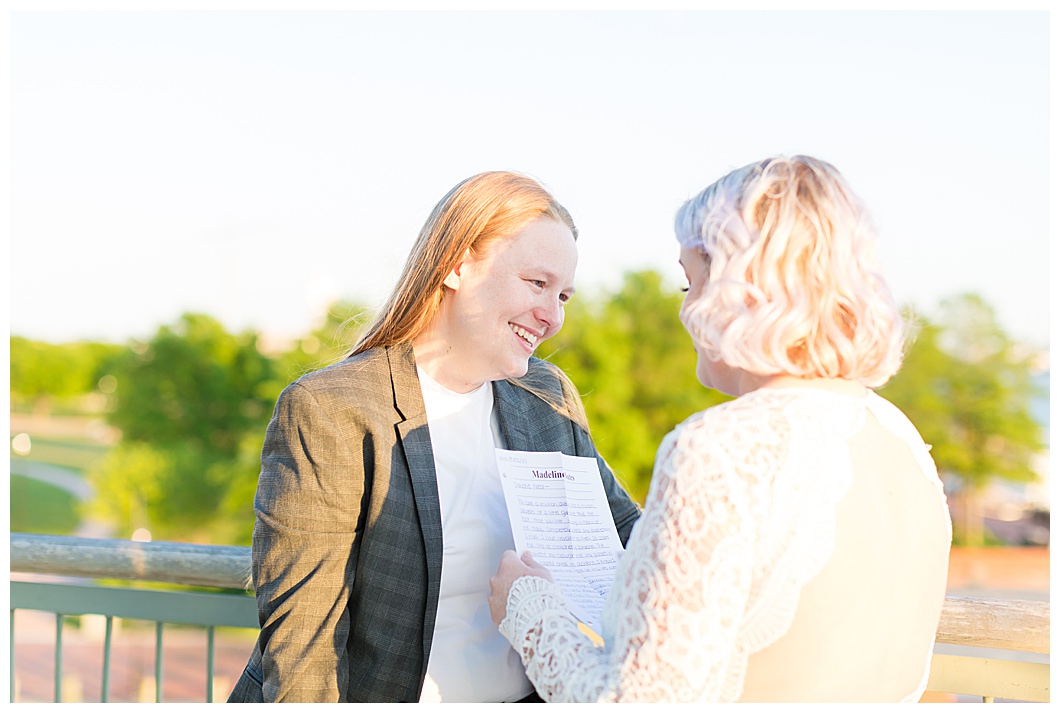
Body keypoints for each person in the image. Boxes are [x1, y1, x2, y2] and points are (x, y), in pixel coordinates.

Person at [489, 156, 953, 702]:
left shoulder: (722, 446)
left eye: (692, 283)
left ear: (739, 284)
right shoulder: (899, 437)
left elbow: (637, 703)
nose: (686, 310)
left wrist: (530, 610)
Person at [227, 171, 641, 703]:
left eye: (563, 295)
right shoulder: (333, 410)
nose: (553, 315)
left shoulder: (547, 398)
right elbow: (305, 647)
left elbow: (629, 539)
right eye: (536, 284)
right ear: (455, 264)